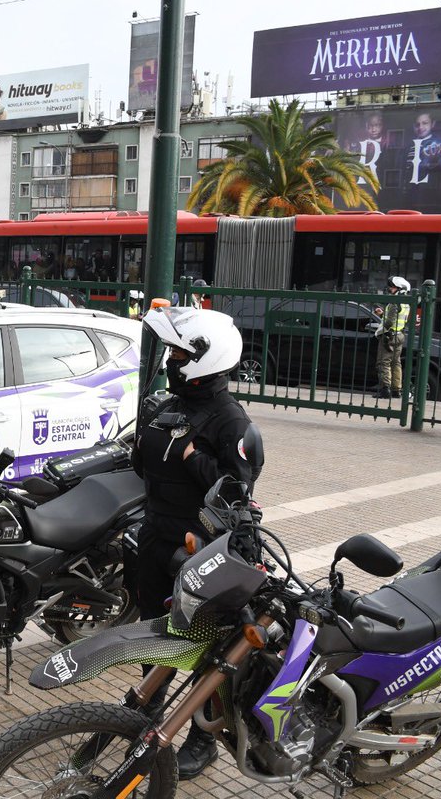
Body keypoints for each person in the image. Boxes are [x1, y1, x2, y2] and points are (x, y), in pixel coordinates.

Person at [130, 305, 258, 780]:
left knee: (208, 646)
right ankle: (143, 713)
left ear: (207, 358)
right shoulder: (169, 406)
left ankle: (202, 739)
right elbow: (144, 468)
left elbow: (238, 491)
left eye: (180, 352)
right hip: (155, 534)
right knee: (151, 631)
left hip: (202, 544)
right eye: (171, 350)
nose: (171, 359)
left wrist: (191, 457)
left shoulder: (231, 420)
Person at [373, 276, 411, 399]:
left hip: (390, 336)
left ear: (399, 288)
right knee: (396, 363)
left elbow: (390, 322)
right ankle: (396, 390)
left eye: (392, 286)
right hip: (399, 335)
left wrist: (382, 331)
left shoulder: (395, 302)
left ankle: (385, 390)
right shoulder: (406, 302)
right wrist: (383, 313)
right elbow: (398, 318)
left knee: (384, 362)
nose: (390, 288)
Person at [405, 112, 441, 212]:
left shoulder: (438, 144)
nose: (420, 127)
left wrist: (434, 162)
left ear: (432, 124)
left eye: (425, 123)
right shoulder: (408, 145)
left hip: (427, 193)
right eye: (417, 124)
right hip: (408, 192)